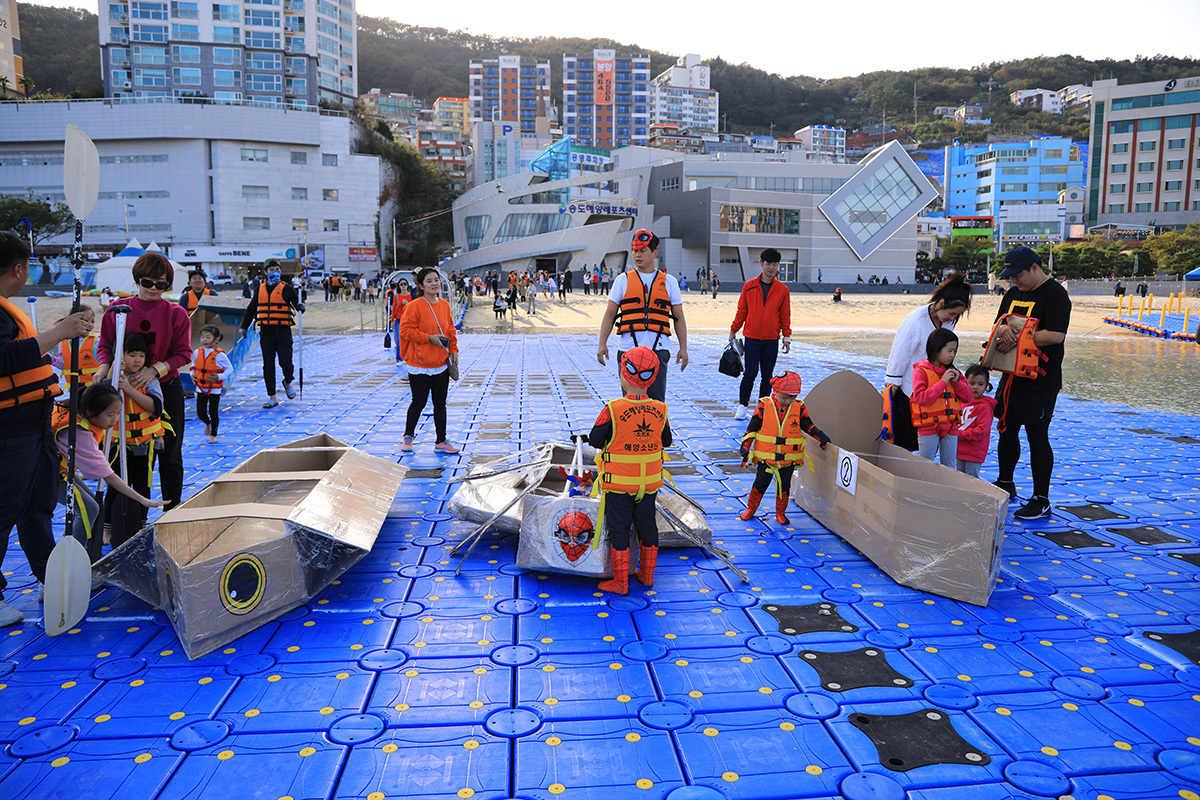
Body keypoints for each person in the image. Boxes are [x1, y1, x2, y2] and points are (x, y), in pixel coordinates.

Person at [0, 232, 93, 626]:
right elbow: (3, 358)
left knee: (37, 507)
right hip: (9, 430)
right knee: (4, 511)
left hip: (33, 424)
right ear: (20, 269)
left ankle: (47, 576)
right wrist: (60, 332)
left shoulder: (7, 309)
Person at [95, 251, 191, 512]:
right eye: (147, 282)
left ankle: (172, 511)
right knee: (132, 456)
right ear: (137, 280)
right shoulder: (117, 310)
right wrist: (104, 368)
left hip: (166, 390)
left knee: (170, 454)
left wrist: (154, 371)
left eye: (160, 284)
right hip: (125, 393)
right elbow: (104, 345)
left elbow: (183, 353)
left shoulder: (176, 313)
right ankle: (133, 515)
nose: (153, 289)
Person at [991, 246, 1071, 520]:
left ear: (1035, 268)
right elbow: (999, 323)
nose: (1014, 281)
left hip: (1041, 380)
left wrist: (1021, 337)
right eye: (1011, 277)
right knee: (1006, 428)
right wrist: (1003, 331)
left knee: (1037, 435)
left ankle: (1041, 497)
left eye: (1019, 275)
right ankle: (1005, 482)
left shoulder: (1056, 295)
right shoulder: (1013, 294)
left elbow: (1056, 335)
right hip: (1010, 376)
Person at [588, 347, 672, 595]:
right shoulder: (660, 409)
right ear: (653, 377)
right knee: (648, 527)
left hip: (619, 485)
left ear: (623, 374)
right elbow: (666, 441)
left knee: (619, 530)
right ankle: (647, 575)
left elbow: (595, 439)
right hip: (648, 485)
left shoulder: (612, 409)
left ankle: (620, 582)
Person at [53, 382, 164, 563]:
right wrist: (142, 499)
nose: (115, 420)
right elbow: (109, 476)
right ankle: (72, 561)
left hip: (58, 469)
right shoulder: (78, 432)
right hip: (44, 474)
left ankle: (82, 556)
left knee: (93, 506)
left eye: (118, 413)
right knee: (88, 509)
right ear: (90, 412)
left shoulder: (74, 408)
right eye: (110, 415)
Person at [596, 230, 689, 403]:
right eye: (635, 250)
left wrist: (683, 348)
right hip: (628, 349)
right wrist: (602, 344)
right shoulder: (622, 280)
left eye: (643, 250)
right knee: (629, 403)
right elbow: (610, 314)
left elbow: (679, 317)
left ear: (655, 253)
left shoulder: (669, 282)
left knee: (656, 403)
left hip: (659, 350)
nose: (637, 255)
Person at [884, 274, 972, 452]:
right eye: (952, 313)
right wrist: (893, 383)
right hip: (910, 385)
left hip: (935, 387)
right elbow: (900, 353)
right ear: (940, 303)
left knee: (926, 441)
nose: (952, 318)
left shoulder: (947, 321)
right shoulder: (915, 321)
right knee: (904, 439)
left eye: (957, 315)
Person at [738, 370, 829, 525]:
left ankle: (780, 513)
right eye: (784, 397)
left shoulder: (799, 408)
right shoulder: (763, 407)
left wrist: (821, 436)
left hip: (788, 460)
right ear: (775, 391)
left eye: (792, 397)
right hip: (766, 459)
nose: (788, 401)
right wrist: (745, 448)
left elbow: (808, 425)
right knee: (760, 485)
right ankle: (751, 509)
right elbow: (751, 429)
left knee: (784, 487)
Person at [105, 331, 168, 548]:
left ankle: (141, 524)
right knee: (115, 486)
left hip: (144, 443)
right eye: (132, 355)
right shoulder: (111, 377)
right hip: (116, 443)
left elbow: (155, 408)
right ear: (120, 357)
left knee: (142, 484)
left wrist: (129, 389)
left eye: (141, 355)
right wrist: (115, 374)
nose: (138, 360)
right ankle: (107, 527)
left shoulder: (148, 380)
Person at [399, 267, 460, 454]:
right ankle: (408, 435)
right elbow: (405, 331)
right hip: (419, 364)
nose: (434, 284)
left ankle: (441, 440)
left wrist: (453, 349)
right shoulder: (414, 306)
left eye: (436, 280)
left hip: (440, 363)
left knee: (440, 403)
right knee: (418, 402)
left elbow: (450, 330)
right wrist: (429, 338)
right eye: (429, 281)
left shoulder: (444, 305)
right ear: (420, 285)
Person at [729, 248, 792, 420]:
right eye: (768, 264)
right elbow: (742, 311)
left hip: (772, 339)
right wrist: (733, 329)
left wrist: (787, 337)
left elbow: (785, 315)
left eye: (775, 264)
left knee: (767, 376)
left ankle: (762, 408)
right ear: (761, 264)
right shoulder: (749, 287)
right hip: (752, 338)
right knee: (750, 373)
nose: (771, 267)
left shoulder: (782, 290)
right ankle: (742, 406)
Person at [239, 260, 304, 409]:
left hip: (283, 331)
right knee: (268, 364)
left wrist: (301, 306)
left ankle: (287, 382)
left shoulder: (287, 288)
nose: (274, 271)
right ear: (266, 272)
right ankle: (272, 397)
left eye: (277, 269)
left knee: (285, 363)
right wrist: (244, 326)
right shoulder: (259, 289)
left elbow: (297, 304)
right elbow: (251, 309)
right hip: (266, 332)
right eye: (271, 269)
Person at [910, 328, 972, 467]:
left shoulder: (954, 372)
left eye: (955, 351)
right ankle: (922, 488)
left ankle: (947, 489)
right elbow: (921, 399)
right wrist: (942, 382)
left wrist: (957, 383)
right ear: (937, 348)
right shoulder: (920, 371)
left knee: (949, 465)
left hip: (951, 426)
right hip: (929, 426)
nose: (952, 355)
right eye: (949, 350)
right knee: (925, 463)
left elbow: (968, 397)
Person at [191, 324, 232, 444]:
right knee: (200, 412)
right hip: (201, 388)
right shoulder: (197, 352)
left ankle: (213, 435)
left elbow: (229, 369)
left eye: (208, 337)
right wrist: (192, 375)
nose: (204, 340)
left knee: (213, 412)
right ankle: (207, 423)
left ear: (216, 339)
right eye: (202, 337)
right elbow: (193, 365)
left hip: (214, 389)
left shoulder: (220, 355)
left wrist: (219, 376)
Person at [956, 365, 996, 478]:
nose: (975, 387)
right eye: (972, 383)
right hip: (959, 449)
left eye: (980, 384)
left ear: (987, 386)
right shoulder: (961, 402)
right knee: (959, 478)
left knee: (971, 479)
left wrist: (959, 434)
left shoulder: (985, 407)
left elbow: (982, 430)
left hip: (974, 452)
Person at [56, 305, 100, 390]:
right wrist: (49, 358)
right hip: (75, 391)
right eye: (86, 321)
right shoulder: (63, 342)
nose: (90, 325)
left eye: (92, 321)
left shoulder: (97, 342)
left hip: (95, 391)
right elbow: (62, 365)